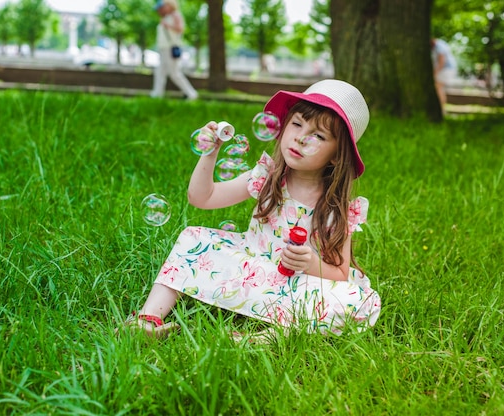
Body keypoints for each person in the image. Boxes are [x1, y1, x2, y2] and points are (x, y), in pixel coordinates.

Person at [132, 79, 381, 339]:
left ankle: (260, 339)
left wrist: (311, 263)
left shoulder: (337, 208)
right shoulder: (267, 176)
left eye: (318, 136)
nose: (300, 138)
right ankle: (148, 320)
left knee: (355, 300)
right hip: (248, 268)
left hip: (295, 284)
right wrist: (210, 152)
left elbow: (340, 274)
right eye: (296, 124)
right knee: (192, 238)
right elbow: (202, 198)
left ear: (337, 155)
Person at [150, 0, 198, 101]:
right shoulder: (165, 17)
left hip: (170, 48)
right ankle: (157, 95)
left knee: (174, 73)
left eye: (163, 6)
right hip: (163, 49)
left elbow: (180, 29)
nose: (160, 10)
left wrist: (168, 26)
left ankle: (191, 94)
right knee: (160, 72)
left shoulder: (175, 15)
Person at [431, 38, 458, 114]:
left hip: (446, 69)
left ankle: (441, 109)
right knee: (439, 88)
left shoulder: (439, 46)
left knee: (438, 87)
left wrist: (434, 73)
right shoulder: (438, 45)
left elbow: (441, 61)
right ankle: (441, 109)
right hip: (445, 69)